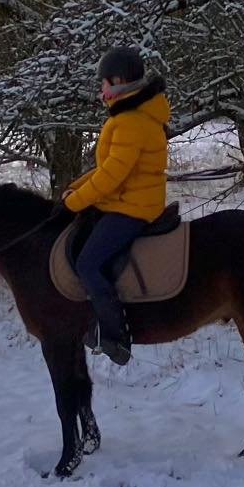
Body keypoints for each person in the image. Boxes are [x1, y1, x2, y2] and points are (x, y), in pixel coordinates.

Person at [63, 47, 172, 366]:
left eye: (104, 82)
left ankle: (115, 336)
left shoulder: (130, 122)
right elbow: (108, 168)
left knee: (88, 263)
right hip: (129, 199)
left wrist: (75, 203)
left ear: (120, 81)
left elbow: (112, 176)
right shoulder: (133, 115)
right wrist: (76, 188)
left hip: (132, 207)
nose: (101, 89)